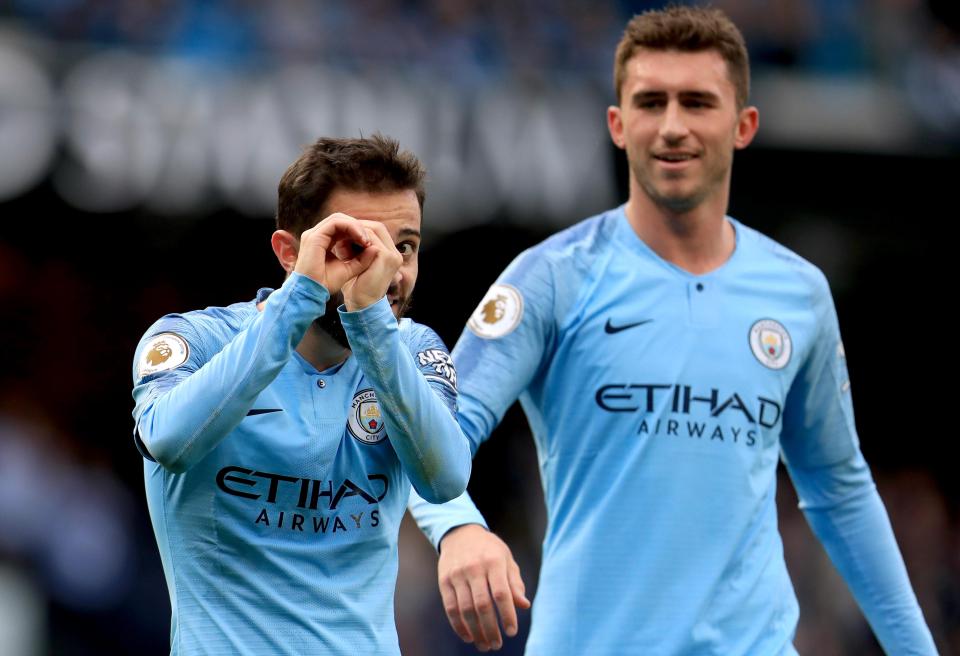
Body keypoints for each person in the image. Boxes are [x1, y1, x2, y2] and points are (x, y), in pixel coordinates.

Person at [408, 6, 938, 655]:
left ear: (743, 125)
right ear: (617, 123)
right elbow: (432, 435)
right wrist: (459, 528)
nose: (673, 126)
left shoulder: (797, 293)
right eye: (650, 102)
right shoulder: (552, 277)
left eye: (697, 102)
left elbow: (839, 491)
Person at [131, 134, 471, 655]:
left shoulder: (410, 349)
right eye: (358, 244)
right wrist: (301, 302)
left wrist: (370, 323)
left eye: (405, 246)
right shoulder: (196, 341)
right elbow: (170, 441)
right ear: (290, 252)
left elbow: (444, 477)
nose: (389, 272)